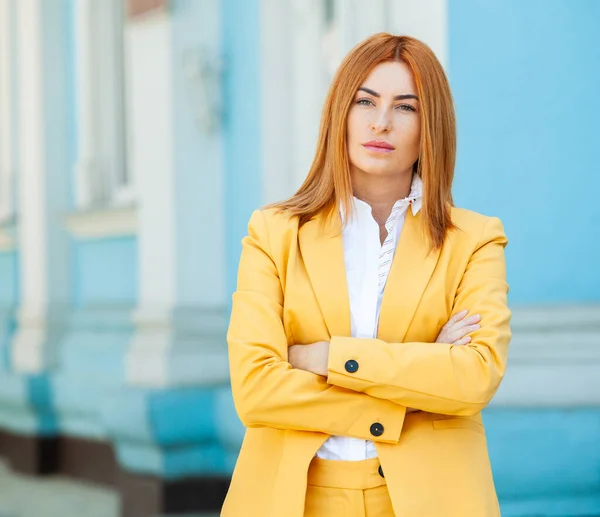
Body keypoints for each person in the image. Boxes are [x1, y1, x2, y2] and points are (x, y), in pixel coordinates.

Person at [222, 33, 511, 517]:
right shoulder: (274, 233)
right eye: (365, 101)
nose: (381, 122)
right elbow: (255, 390)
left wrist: (326, 357)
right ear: (341, 112)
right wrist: (418, 380)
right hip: (295, 498)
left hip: (434, 499)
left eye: (405, 107)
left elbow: (475, 376)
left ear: (430, 125)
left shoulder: (475, 239)